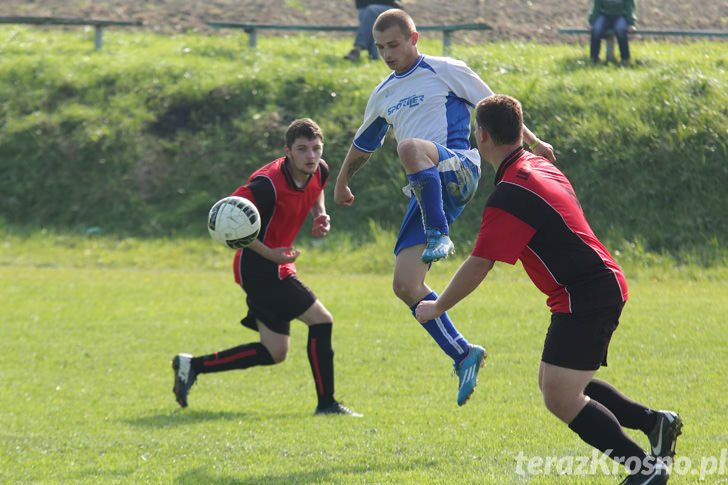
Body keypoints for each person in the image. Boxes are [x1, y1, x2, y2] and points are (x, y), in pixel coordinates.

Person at [415, 94, 682, 484]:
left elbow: (479, 264)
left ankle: (644, 470)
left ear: (483, 135)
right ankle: (655, 423)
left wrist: (437, 307)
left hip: (587, 292)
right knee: (558, 381)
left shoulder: (511, 192)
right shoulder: (535, 165)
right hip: (592, 286)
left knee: (560, 394)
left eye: (476, 129)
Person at [334, 9, 556, 406]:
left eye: (394, 44)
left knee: (407, 147)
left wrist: (534, 142)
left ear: (414, 38)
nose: (387, 53)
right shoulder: (383, 92)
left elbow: (495, 107)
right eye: (380, 47)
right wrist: (342, 180)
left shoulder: (444, 69)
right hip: (428, 187)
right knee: (405, 284)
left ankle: (439, 234)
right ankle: (462, 353)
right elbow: (364, 143)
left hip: (460, 167)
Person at [172, 118, 361, 417]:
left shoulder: (320, 169)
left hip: (279, 265)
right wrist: (271, 255)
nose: (310, 156)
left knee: (275, 352)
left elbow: (317, 189)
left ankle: (192, 365)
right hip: (258, 267)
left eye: (316, 148)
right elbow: (228, 220)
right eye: (302, 149)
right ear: (288, 151)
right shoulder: (265, 185)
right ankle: (327, 404)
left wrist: (320, 214)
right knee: (321, 320)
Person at [589, 0, 637, 64]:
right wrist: (593, 23)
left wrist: (631, 23)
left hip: (621, 16)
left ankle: (625, 58)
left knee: (620, 29)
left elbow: (630, 8)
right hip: (604, 16)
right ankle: (594, 59)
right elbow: (596, 7)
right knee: (596, 29)